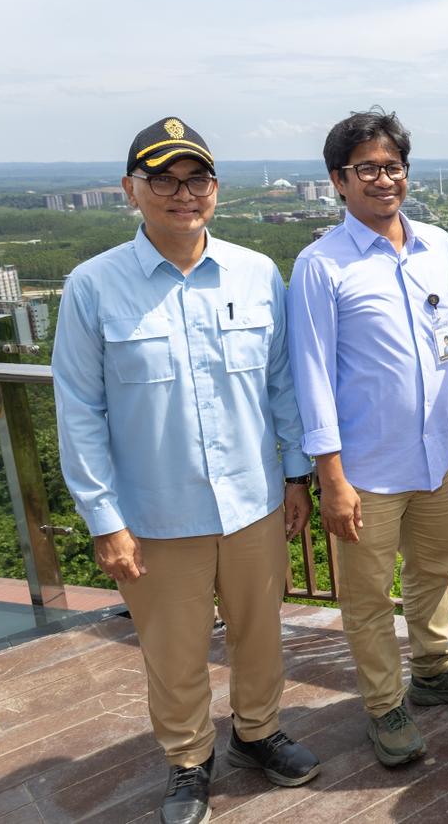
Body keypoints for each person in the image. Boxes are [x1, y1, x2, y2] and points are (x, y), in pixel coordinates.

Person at [53, 117, 319, 824]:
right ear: (129, 190)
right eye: (162, 179)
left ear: (215, 189)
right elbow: (78, 411)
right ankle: (187, 760)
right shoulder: (93, 286)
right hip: (155, 513)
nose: (182, 193)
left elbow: (281, 385)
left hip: (253, 500)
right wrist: (105, 521)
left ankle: (258, 732)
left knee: (261, 633)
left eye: (195, 178)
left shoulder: (256, 273)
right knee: (174, 653)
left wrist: (297, 477)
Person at [287, 107, 448, 768]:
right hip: (365, 471)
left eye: (393, 166)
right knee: (368, 596)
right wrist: (330, 476)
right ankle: (384, 705)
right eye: (368, 169)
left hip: (435, 453)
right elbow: (312, 374)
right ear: (338, 181)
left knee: (437, 567)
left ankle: (433, 670)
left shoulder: (439, 246)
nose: (384, 179)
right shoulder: (322, 266)